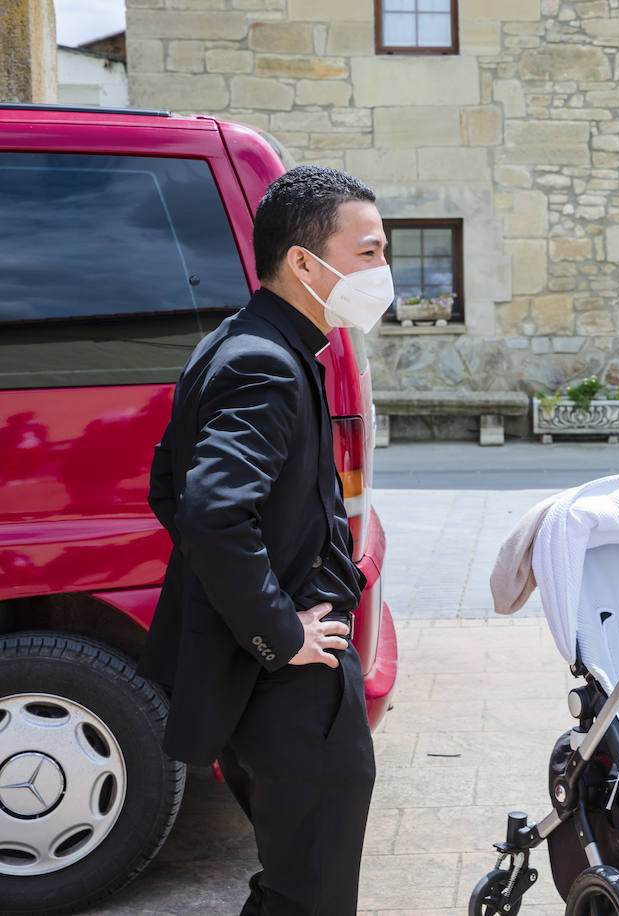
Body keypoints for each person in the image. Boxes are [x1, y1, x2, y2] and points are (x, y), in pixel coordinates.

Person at [140, 166, 386, 914]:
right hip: (288, 682)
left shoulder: (242, 341)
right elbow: (213, 513)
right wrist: (279, 632)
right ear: (305, 263)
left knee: (294, 882)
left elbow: (168, 490)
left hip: (263, 676)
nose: (383, 273)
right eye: (369, 252)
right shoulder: (264, 363)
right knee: (308, 893)